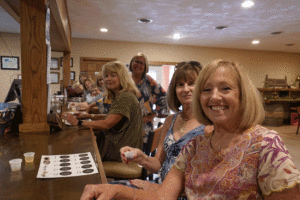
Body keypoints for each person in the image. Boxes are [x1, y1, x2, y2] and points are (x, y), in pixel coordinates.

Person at [80, 59, 300, 200]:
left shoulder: (266, 144)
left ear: (243, 95)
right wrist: (116, 189)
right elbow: (163, 190)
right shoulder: (195, 145)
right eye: (206, 89)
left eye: (225, 88)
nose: (214, 96)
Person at [110, 63, 204, 196]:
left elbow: (206, 182)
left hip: (184, 195)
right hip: (159, 189)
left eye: (191, 83)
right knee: (107, 190)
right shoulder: (170, 120)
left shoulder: (209, 125)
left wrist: (157, 189)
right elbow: (159, 163)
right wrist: (141, 157)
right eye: (180, 84)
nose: (186, 89)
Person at [62, 61, 143, 162]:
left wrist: (79, 122)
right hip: (123, 145)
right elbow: (110, 117)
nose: (108, 79)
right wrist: (87, 116)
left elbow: (107, 124)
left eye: (113, 75)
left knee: (77, 149)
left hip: (123, 152)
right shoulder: (121, 95)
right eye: (106, 76)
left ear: (122, 77)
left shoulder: (125, 97)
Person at [129, 53, 170, 143]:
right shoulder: (125, 80)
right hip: (125, 125)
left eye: (141, 63)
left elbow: (164, 96)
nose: (138, 65)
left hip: (144, 126)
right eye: (136, 61)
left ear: (145, 67)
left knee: (140, 154)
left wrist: (153, 115)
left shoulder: (149, 81)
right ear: (132, 63)